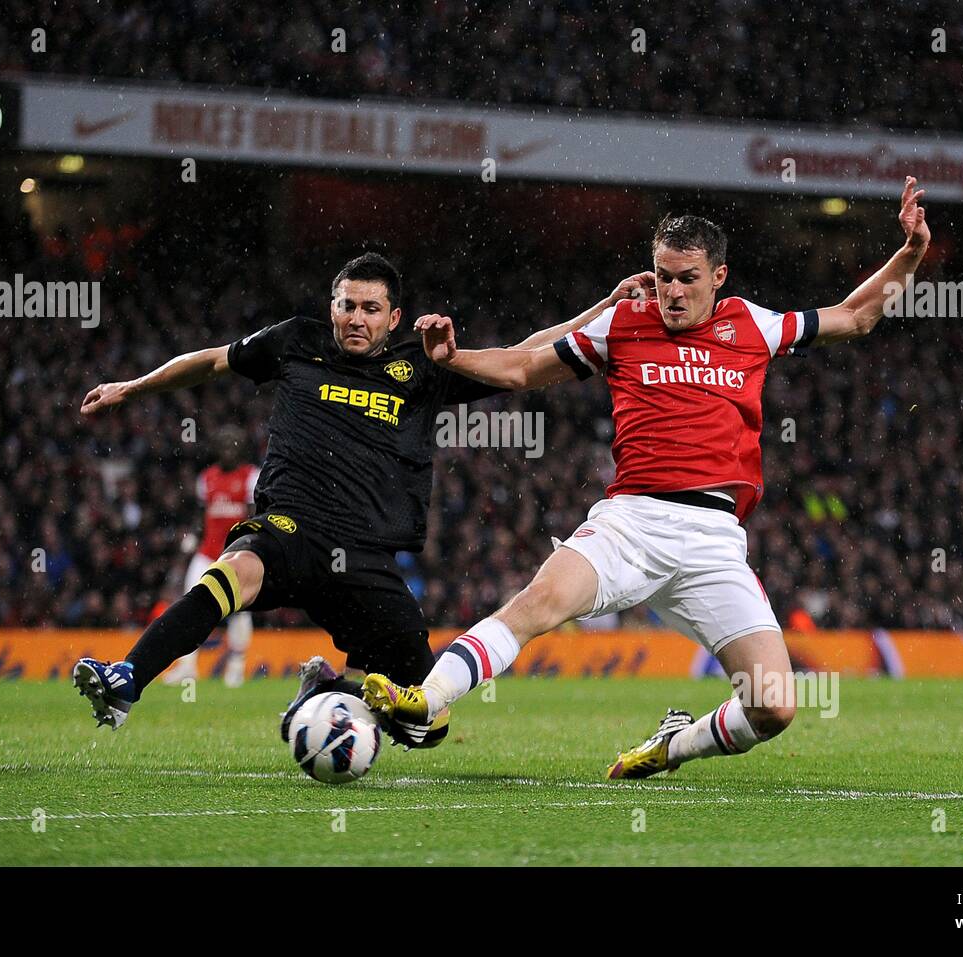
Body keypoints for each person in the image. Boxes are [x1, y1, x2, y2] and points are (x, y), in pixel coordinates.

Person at [363, 177, 931, 778]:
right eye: (663, 276)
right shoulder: (623, 324)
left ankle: (673, 747)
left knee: (774, 706)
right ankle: (427, 698)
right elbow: (527, 366)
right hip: (630, 522)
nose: (673, 291)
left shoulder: (753, 325)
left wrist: (911, 253)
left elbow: (856, 317)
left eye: (688, 277)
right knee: (538, 604)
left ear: (719, 276)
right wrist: (454, 358)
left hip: (713, 541)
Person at [72, 251, 656, 750]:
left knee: (428, 723)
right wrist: (134, 386)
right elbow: (211, 361)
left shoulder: (422, 368)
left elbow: (522, 356)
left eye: (370, 308)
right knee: (236, 572)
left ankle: (330, 694)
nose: (356, 318)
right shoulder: (294, 341)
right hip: (289, 529)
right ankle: (128, 679)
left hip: (368, 560)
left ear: (393, 316)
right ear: (332, 307)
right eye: (346, 305)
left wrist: (605, 308)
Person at [160, 425, 258, 689]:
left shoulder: (251, 477)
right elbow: (201, 516)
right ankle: (187, 666)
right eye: (224, 445)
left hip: (236, 552)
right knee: (190, 604)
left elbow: (255, 516)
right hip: (207, 553)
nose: (228, 450)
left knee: (239, 609)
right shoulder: (207, 478)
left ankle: (236, 666)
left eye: (233, 445)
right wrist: (191, 539)